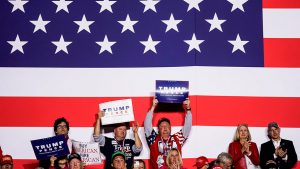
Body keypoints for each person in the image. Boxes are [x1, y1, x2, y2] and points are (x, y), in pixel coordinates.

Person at [144, 98, 192, 169]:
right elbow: (147, 125)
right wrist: (153, 107)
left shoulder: (177, 138)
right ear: (158, 130)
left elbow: (187, 127)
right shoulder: (153, 138)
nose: (165, 127)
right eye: (162, 126)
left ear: (170, 128)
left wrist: (188, 109)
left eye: (167, 126)